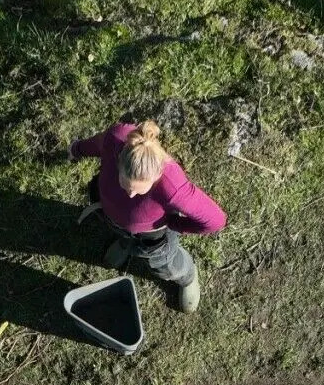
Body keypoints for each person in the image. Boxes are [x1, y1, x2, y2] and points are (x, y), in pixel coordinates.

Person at [68, 120, 225, 312]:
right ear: (120, 160)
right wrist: (77, 149)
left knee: (164, 263)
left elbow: (215, 220)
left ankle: (186, 276)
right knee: (120, 231)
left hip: (153, 234)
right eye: (125, 185)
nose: (131, 195)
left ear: (155, 177)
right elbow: (98, 143)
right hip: (112, 217)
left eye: (139, 191)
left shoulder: (173, 188)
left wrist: (175, 224)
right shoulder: (116, 138)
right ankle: (126, 244)